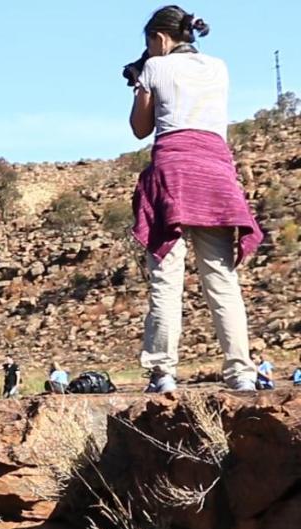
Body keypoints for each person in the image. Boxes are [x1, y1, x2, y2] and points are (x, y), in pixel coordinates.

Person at [127, 6, 261, 393]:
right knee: (221, 278)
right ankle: (241, 373)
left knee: (167, 277)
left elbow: (140, 128)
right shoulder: (219, 66)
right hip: (217, 173)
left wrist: (140, 82)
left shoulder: (155, 67)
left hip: (174, 172)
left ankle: (163, 372)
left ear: (160, 39)